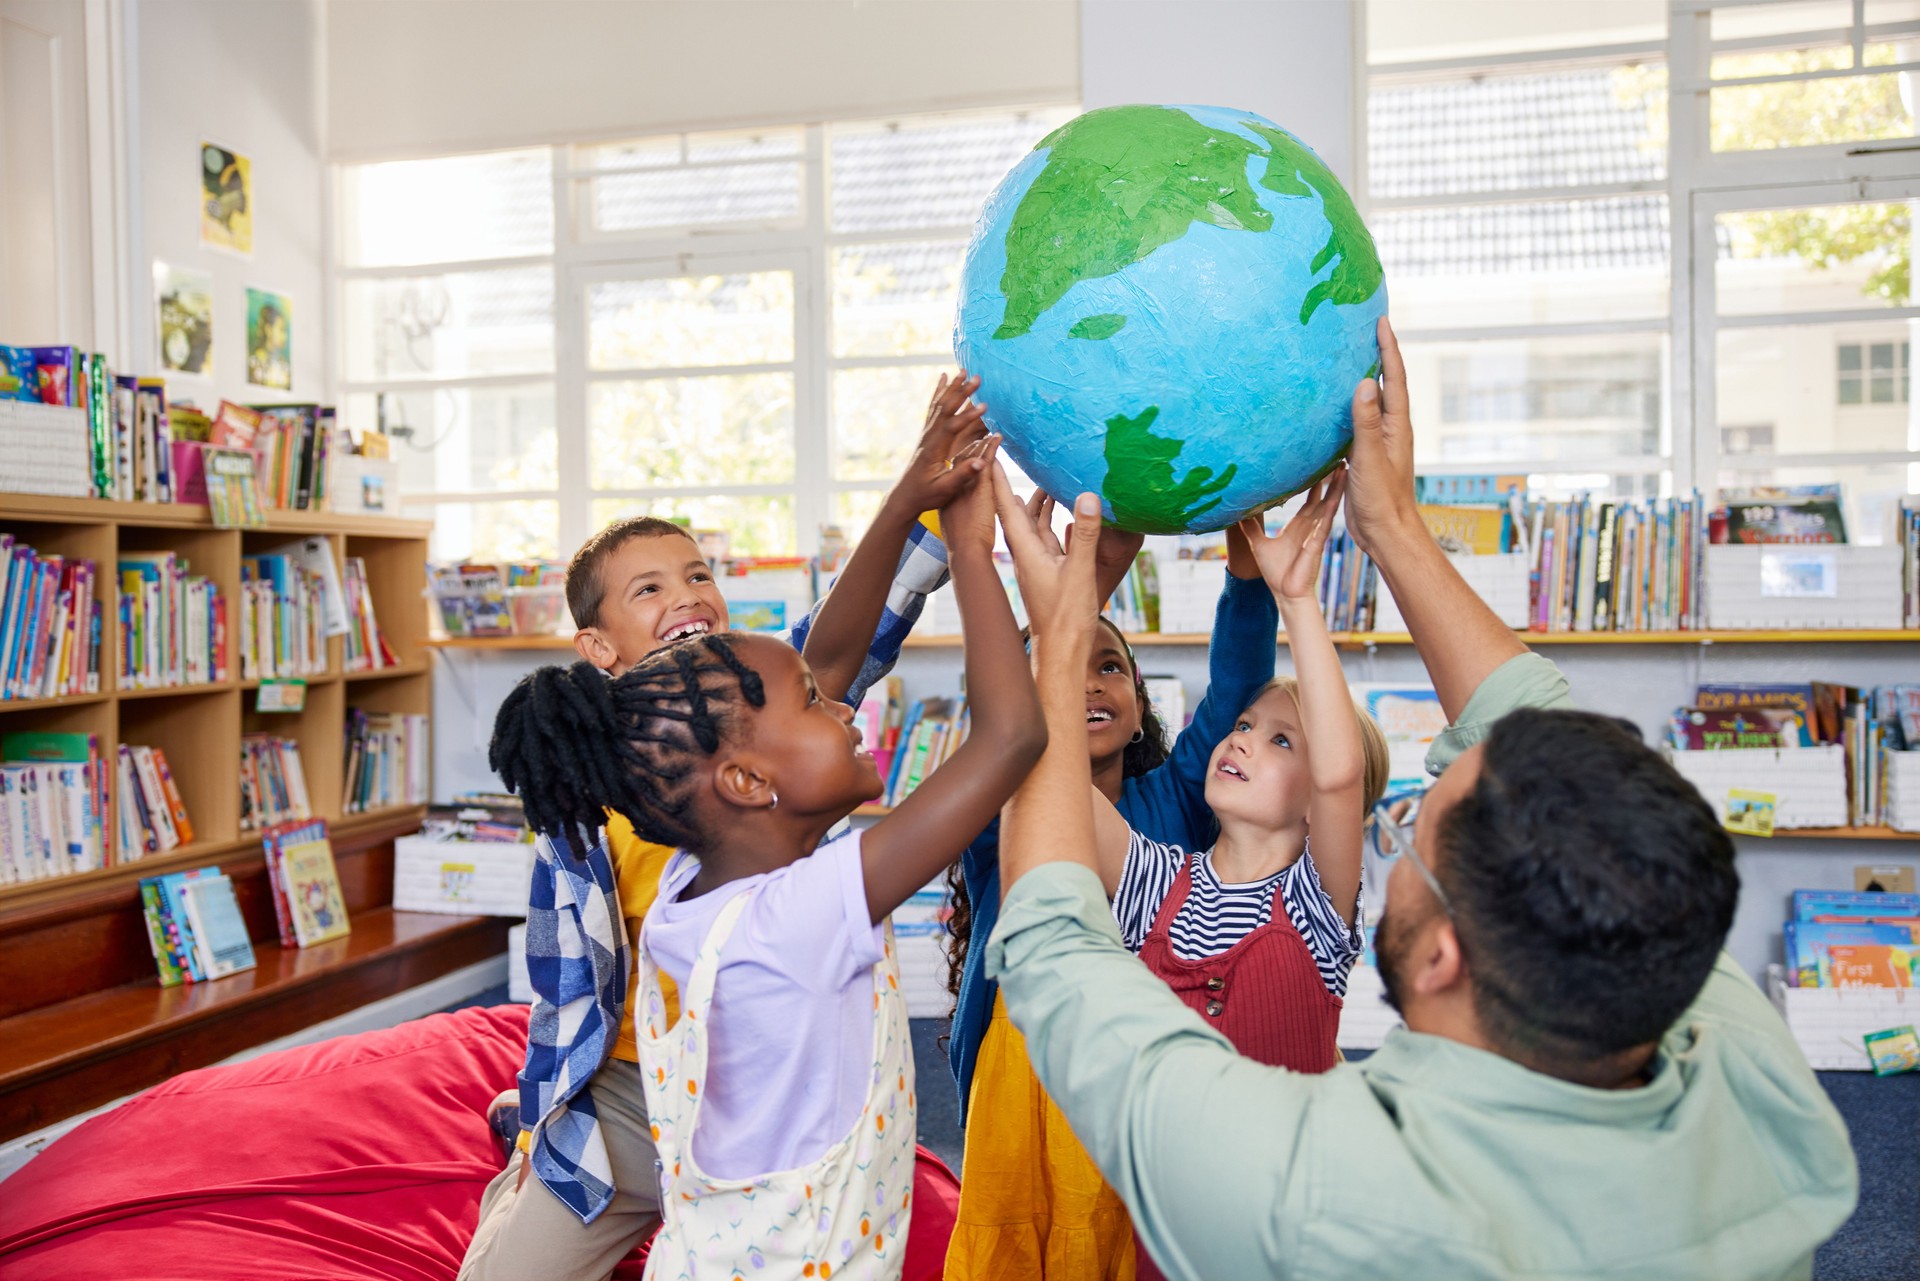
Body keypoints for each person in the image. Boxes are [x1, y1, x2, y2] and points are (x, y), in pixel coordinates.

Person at [984, 318, 1859, 1281]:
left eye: (1420, 828)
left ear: (1442, 952)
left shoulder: (1299, 1186)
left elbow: (1052, 947)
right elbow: (1529, 721)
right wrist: (1391, 524)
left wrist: (1058, 634)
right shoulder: (1753, 1077)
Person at [458, 373, 989, 1281]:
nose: (687, 593)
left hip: (764, 1087)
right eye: (649, 588)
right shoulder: (587, 782)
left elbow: (837, 649)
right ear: (598, 649)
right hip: (627, 1092)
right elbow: (565, 997)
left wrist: (911, 496)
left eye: (699, 572)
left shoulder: (760, 726)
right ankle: (529, 1162)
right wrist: (551, 1108)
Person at [942, 504, 1278, 1280]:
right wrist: (1084, 586)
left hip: (1143, 1093)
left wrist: (1249, 574)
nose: (1090, 683)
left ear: (1138, 708)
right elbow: (1022, 711)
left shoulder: (1179, 800)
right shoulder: (1001, 800)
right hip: (1021, 1098)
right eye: (1073, 665)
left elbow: (1235, 685)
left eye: (1112, 667)